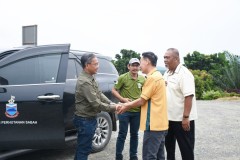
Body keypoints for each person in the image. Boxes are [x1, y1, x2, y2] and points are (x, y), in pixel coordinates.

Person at [117, 52, 168, 160]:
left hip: (153, 125)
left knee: (149, 156)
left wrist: (126, 106)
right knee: (159, 156)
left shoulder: (152, 78)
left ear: (147, 61)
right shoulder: (158, 76)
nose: (139, 66)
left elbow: (142, 100)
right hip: (160, 124)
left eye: (140, 62)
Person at [73, 53, 120, 160]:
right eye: (96, 64)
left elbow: (99, 93)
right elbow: (96, 103)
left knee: (82, 147)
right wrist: (115, 108)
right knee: (84, 150)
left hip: (88, 119)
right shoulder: (84, 82)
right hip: (85, 120)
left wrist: (110, 103)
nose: (98, 66)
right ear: (87, 65)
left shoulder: (90, 77)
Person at [163, 48, 198, 160]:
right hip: (169, 119)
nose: (165, 60)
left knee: (186, 150)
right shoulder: (167, 73)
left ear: (176, 59)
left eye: (167, 57)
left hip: (182, 120)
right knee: (169, 149)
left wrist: (186, 117)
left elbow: (189, 96)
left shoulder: (184, 73)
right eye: (164, 57)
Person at [112, 58, 145, 160]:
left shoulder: (142, 79)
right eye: (133, 65)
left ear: (139, 67)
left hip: (137, 112)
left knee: (134, 134)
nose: (135, 67)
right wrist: (123, 99)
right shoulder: (123, 77)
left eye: (137, 65)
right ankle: (118, 156)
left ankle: (133, 156)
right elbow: (114, 90)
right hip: (124, 111)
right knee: (122, 134)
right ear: (128, 66)